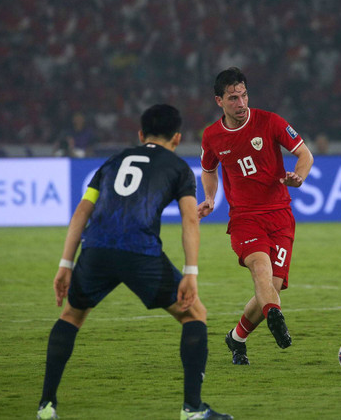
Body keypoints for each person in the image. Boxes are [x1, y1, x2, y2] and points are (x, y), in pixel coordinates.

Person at [36, 104, 232, 420]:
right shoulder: (179, 168)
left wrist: (65, 264)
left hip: (97, 248)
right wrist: (190, 272)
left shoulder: (112, 162)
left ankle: (46, 406)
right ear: (178, 137)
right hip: (140, 251)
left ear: (141, 135)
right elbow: (189, 220)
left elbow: (81, 213)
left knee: (71, 315)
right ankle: (192, 409)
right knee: (194, 313)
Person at [198, 67, 314, 365]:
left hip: (280, 216)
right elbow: (208, 170)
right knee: (260, 271)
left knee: (271, 289)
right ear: (219, 101)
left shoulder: (270, 122)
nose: (241, 103)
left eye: (244, 95)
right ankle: (274, 316)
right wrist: (210, 198)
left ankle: (236, 337)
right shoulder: (212, 136)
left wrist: (298, 178)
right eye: (233, 98)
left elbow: (305, 155)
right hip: (245, 218)